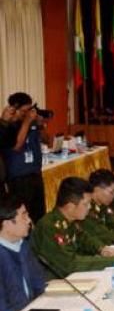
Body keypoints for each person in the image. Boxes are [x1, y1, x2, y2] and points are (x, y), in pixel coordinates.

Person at [32, 177, 114, 278]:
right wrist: (113, 260)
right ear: (70, 206)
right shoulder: (49, 226)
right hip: (53, 282)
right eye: (86, 204)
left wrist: (101, 249)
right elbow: (70, 264)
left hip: (72, 277)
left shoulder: (71, 220)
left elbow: (83, 238)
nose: (89, 207)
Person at [0, 93, 47, 222]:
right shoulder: (9, 127)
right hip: (19, 179)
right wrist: (27, 122)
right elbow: (17, 146)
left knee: (40, 215)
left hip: (35, 174)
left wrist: (40, 125)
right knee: (24, 217)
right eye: (24, 111)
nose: (27, 114)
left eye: (29, 110)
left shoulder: (30, 123)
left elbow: (47, 140)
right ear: (14, 110)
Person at [0, 195, 45, 311]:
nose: (29, 220)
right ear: (7, 224)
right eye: (24, 216)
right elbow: (2, 310)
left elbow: (39, 285)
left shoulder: (23, 245)